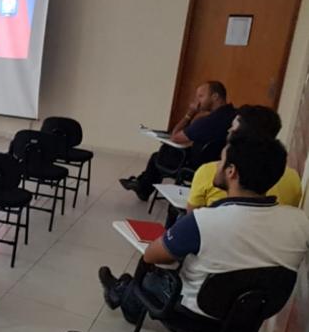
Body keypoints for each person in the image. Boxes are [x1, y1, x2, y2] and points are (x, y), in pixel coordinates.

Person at [100, 134, 309, 320]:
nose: (216, 166)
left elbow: (153, 255)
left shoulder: (204, 220)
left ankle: (124, 295)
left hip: (195, 313)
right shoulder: (300, 222)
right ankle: (122, 288)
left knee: (150, 276)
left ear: (231, 172)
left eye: (221, 161)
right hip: (251, 317)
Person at [120, 81, 236, 201]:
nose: (197, 101)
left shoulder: (208, 122)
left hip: (196, 166)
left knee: (158, 156)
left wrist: (190, 113)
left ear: (215, 96)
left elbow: (175, 136)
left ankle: (143, 188)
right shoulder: (234, 115)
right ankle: (141, 185)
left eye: (201, 96)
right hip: (218, 164)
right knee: (164, 153)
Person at [187, 105, 302, 210]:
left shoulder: (210, 172)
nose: (229, 130)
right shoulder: (293, 179)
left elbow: (192, 216)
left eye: (233, 127)